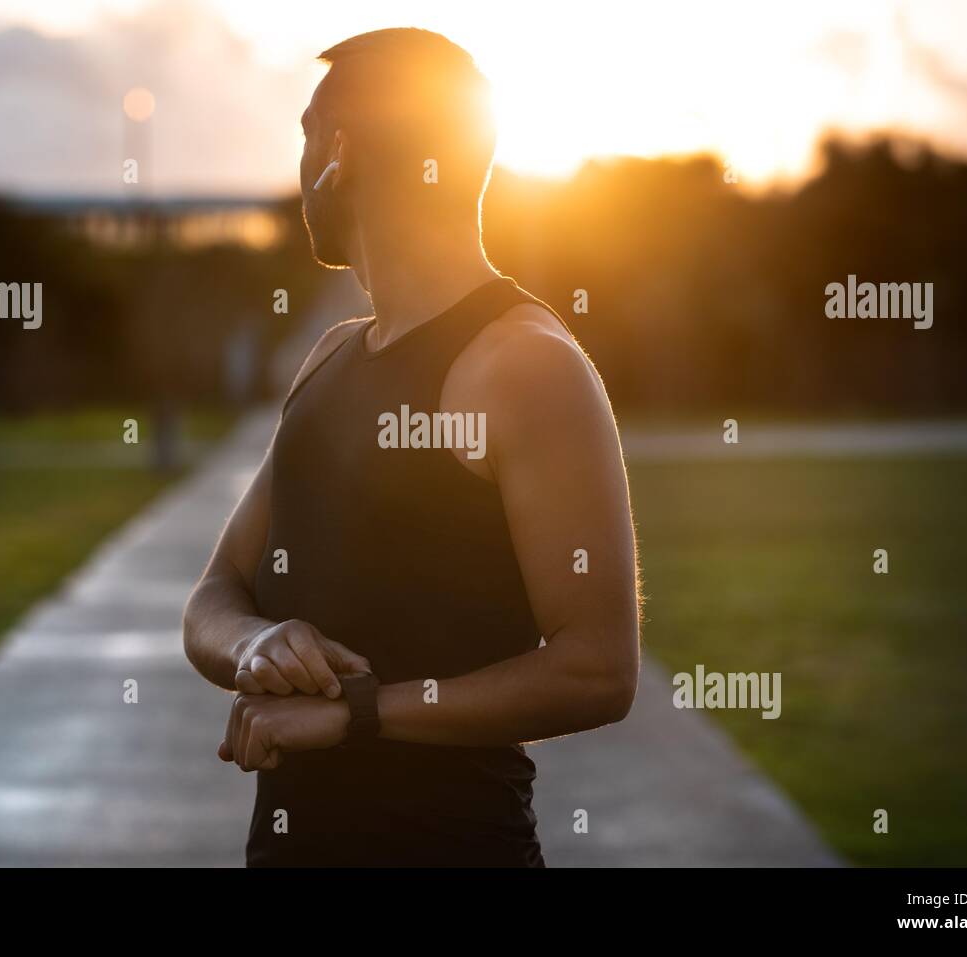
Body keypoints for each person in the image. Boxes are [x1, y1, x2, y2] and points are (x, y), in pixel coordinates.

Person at [183, 27, 640, 867]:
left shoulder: (527, 365)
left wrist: (357, 711)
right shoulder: (329, 358)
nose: (300, 166)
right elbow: (216, 592)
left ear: (339, 152)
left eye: (305, 135)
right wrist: (254, 642)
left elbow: (599, 668)